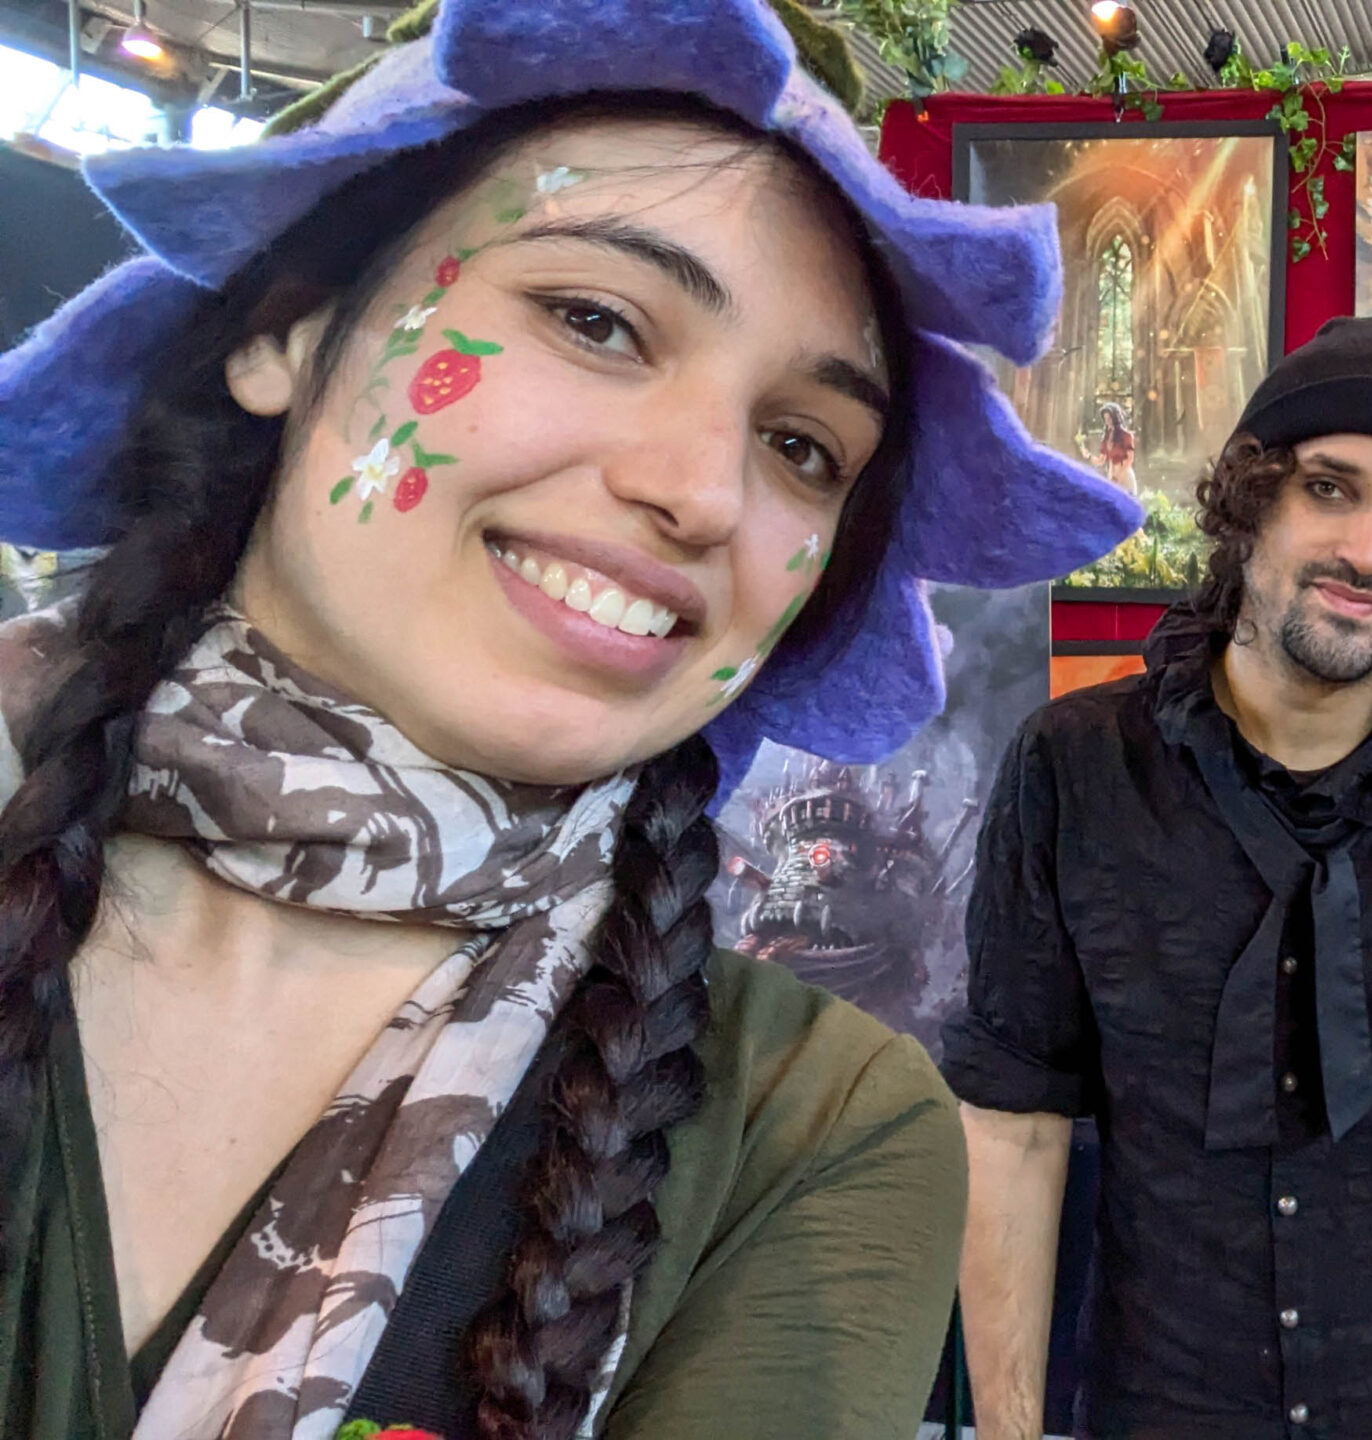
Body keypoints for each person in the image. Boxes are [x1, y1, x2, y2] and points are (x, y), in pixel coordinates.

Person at [0, 1, 1138, 1436]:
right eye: (595, 321)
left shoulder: (804, 1121)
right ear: (289, 325)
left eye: (802, 446)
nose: (703, 492)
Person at [946, 314, 1372, 1439]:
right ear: (1251, 499)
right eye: (1330, 489)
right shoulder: (1076, 767)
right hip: (1160, 1400)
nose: (1369, 551)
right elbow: (1014, 1125)